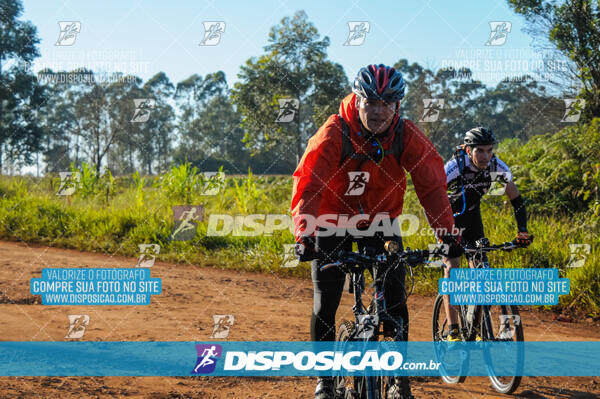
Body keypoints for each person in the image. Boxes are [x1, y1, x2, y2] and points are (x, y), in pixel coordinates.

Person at [291, 64, 462, 399]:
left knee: (396, 302)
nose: (379, 111)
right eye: (371, 102)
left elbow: (431, 186)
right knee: (326, 302)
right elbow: (308, 185)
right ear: (357, 100)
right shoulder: (333, 133)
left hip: (382, 224)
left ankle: (399, 379)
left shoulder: (405, 134)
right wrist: (304, 234)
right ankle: (325, 380)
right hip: (331, 222)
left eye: (388, 103)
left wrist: (447, 234)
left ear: (398, 105)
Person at [443, 127, 533, 342]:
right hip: (448, 219)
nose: (485, 156)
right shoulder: (455, 167)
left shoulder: (495, 166)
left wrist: (522, 231)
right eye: (479, 151)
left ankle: (479, 322)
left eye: (489, 150)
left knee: (482, 271)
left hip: (472, 217)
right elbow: (433, 197)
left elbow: (516, 201)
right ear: (467, 150)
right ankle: (453, 329)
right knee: (452, 268)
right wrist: (444, 232)